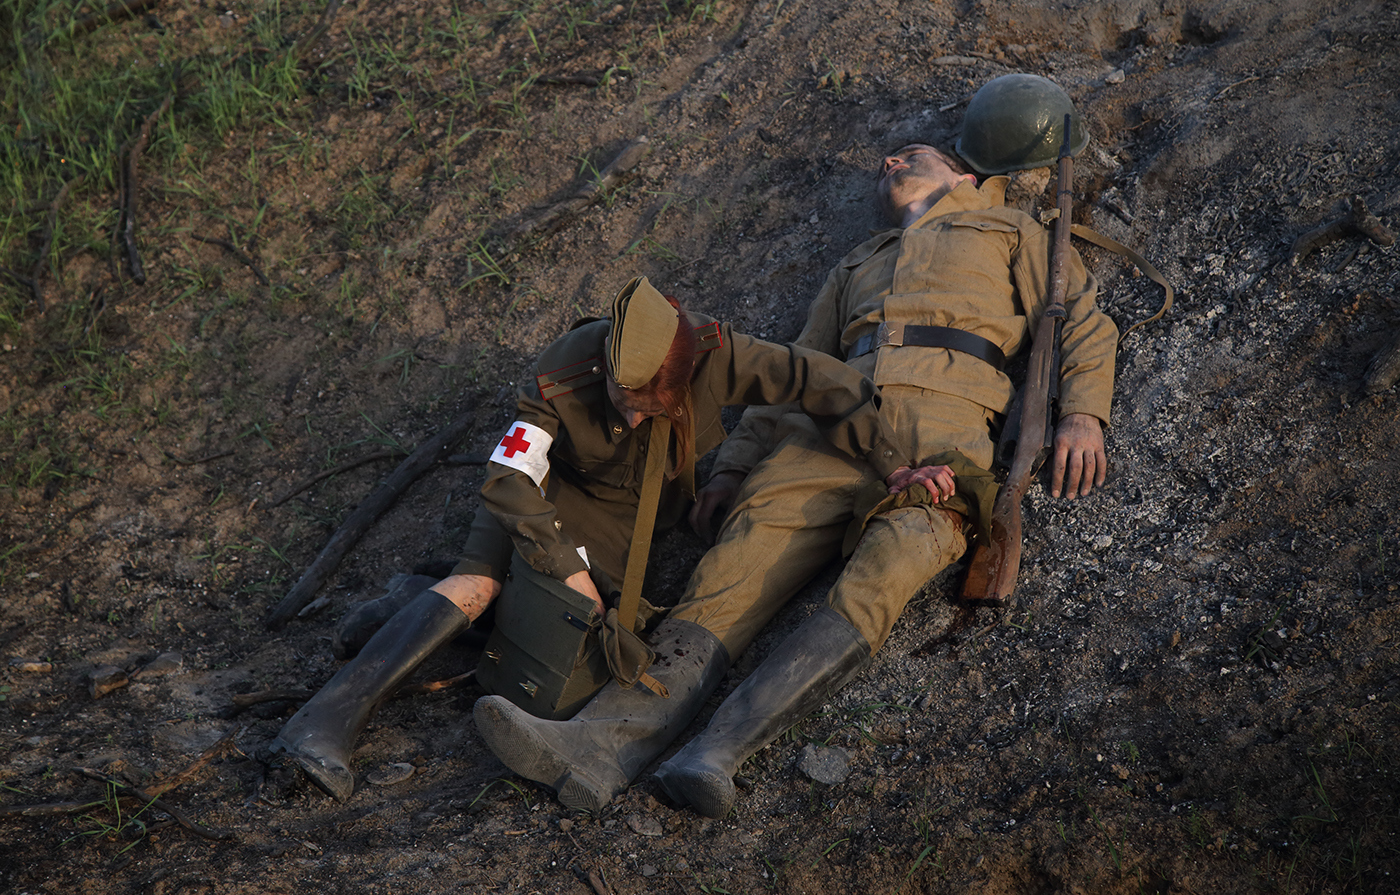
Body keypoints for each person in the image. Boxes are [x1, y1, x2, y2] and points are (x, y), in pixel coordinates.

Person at [473, 74, 1119, 818]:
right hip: (827, 432)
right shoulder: (856, 263)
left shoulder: (1015, 233)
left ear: (967, 175)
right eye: (890, 160)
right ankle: (598, 743)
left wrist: (1082, 417)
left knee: (892, 562)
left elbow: (1082, 324)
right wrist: (737, 469)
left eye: (912, 154)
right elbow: (790, 374)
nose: (891, 164)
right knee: (731, 572)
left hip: (945, 425)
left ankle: (719, 751)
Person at [269, 275, 946, 801]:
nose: (628, 411)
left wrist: (891, 461)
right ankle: (322, 722)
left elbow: (820, 380)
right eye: (620, 397)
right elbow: (508, 478)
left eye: (645, 403)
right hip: (540, 500)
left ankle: (412, 607)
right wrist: (563, 566)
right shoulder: (566, 370)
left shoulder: (718, 355)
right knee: (479, 581)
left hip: (626, 525)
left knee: (572, 671)